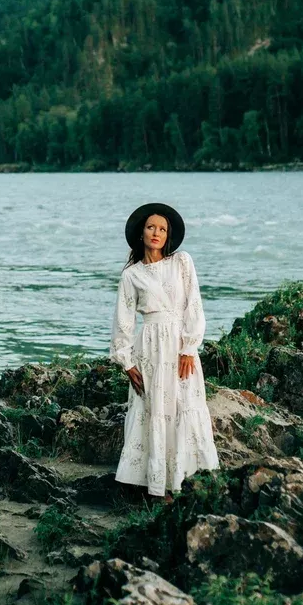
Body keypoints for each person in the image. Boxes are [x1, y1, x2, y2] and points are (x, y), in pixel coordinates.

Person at [110, 202, 219, 502]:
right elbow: (123, 321)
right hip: (149, 350)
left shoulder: (182, 262)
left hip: (179, 346)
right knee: (154, 410)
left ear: (168, 235)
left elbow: (193, 304)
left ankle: (185, 481)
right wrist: (126, 362)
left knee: (184, 405)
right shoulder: (131, 275)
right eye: (151, 227)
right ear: (141, 233)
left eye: (162, 229)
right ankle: (159, 488)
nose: (156, 233)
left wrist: (189, 347)